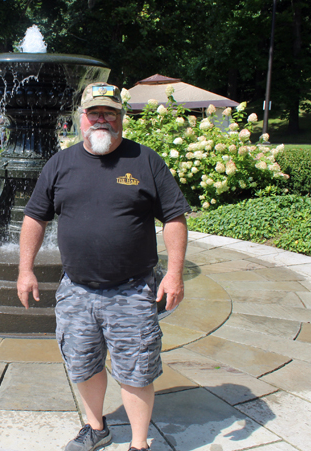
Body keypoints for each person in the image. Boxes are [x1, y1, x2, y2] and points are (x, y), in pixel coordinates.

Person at [17, 82, 190, 451]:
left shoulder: (145, 160)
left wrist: (174, 274)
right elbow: (34, 217)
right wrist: (25, 269)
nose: (101, 120)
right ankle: (96, 428)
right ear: (81, 119)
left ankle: (139, 444)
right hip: (76, 290)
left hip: (131, 290)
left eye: (109, 113)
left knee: (137, 369)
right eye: (94, 113)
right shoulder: (60, 163)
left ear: (121, 119)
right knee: (83, 364)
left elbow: (174, 217)